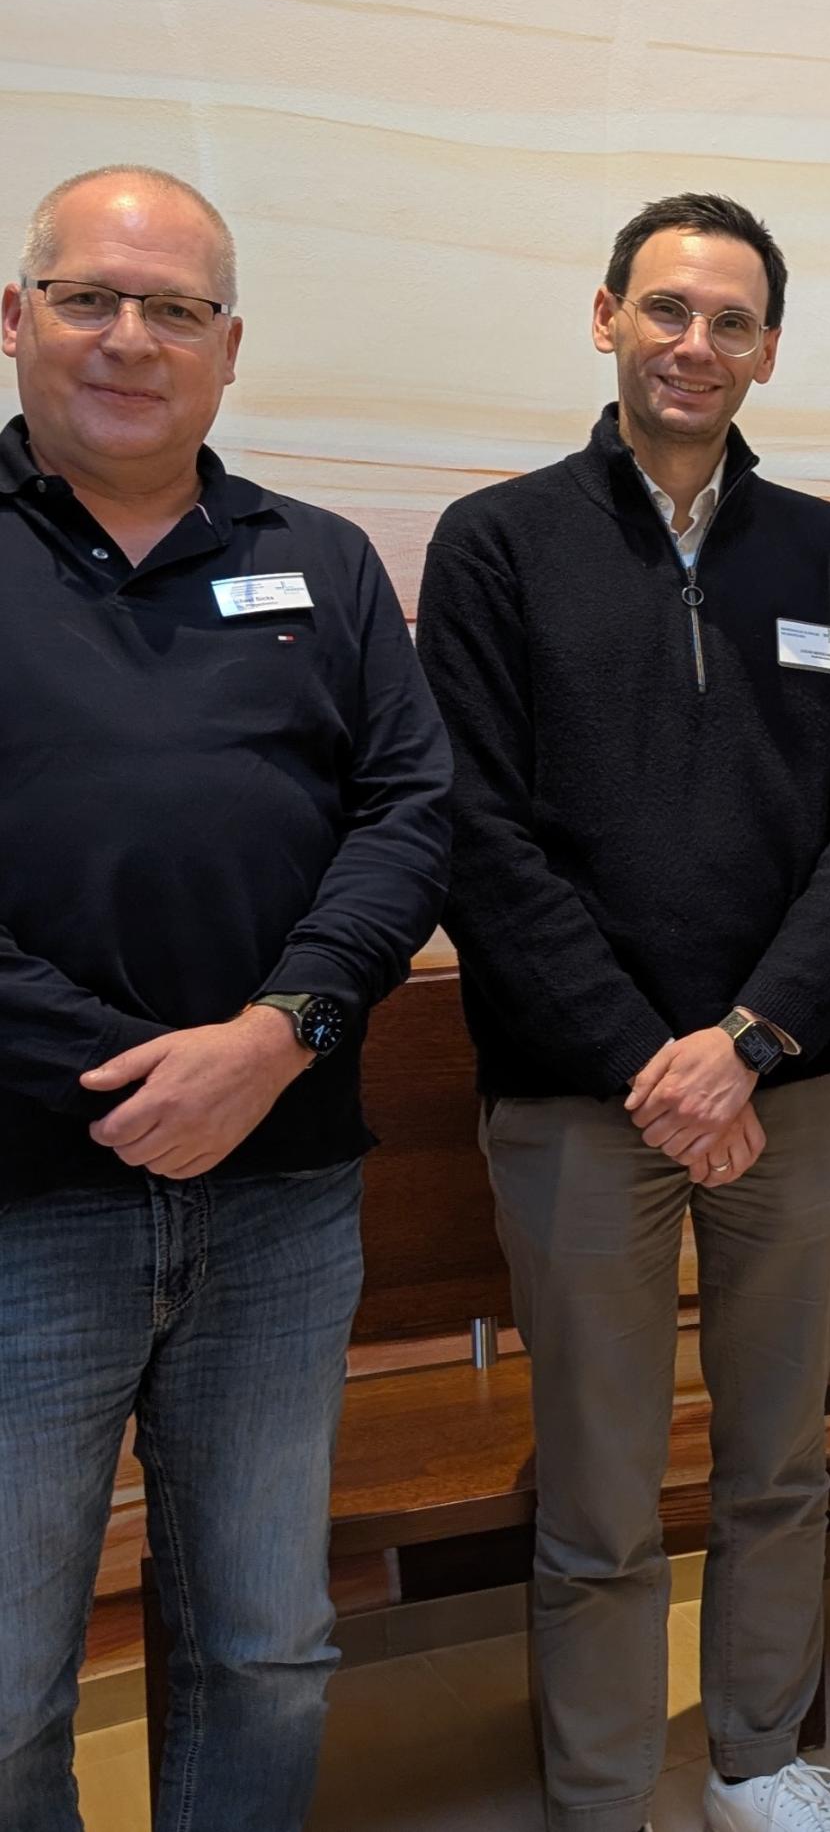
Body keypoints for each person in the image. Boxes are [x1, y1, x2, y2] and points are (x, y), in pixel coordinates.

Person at [415, 192, 830, 1832]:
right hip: (582, 1099)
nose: (697, 345)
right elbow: (474, 833)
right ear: (608, 316)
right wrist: (650, 1057)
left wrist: (752, 1040)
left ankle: (761, 1764)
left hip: (796, 1087)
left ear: (770, 349)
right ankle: (606, 1791)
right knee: (603, 1495)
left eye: (734, 321)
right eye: (669, 311)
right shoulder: (498, 545)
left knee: (778, 1465)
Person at [0, 165, 451, 1831]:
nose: (131, 339)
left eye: (175, 308)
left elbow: (410, 815)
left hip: (282, 1195)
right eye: (90, 299)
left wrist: (280, 1038)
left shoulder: (319, 566)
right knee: (2, 1680)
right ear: (15, 317)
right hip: (23, 1202)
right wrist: (135, 1073)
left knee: (265, 1645)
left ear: (231, 346)